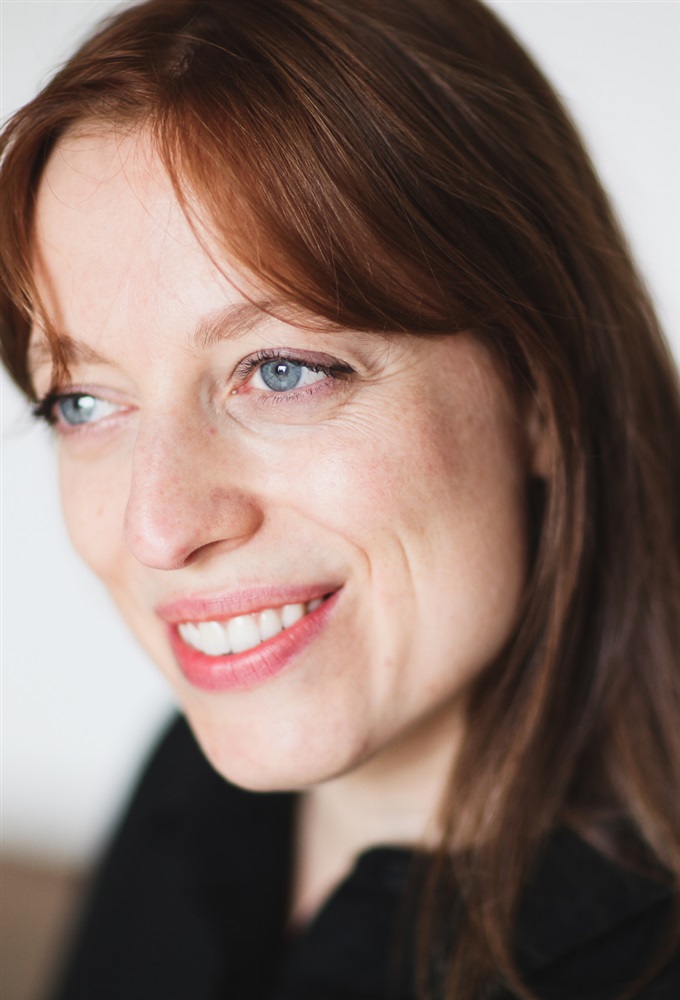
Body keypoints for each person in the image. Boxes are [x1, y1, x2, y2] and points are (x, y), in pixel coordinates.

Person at [1, 1, 679, 998]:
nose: (159, 528)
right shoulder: (192, 791)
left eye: (282, 371)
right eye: (85, 400)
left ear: (540, 392)